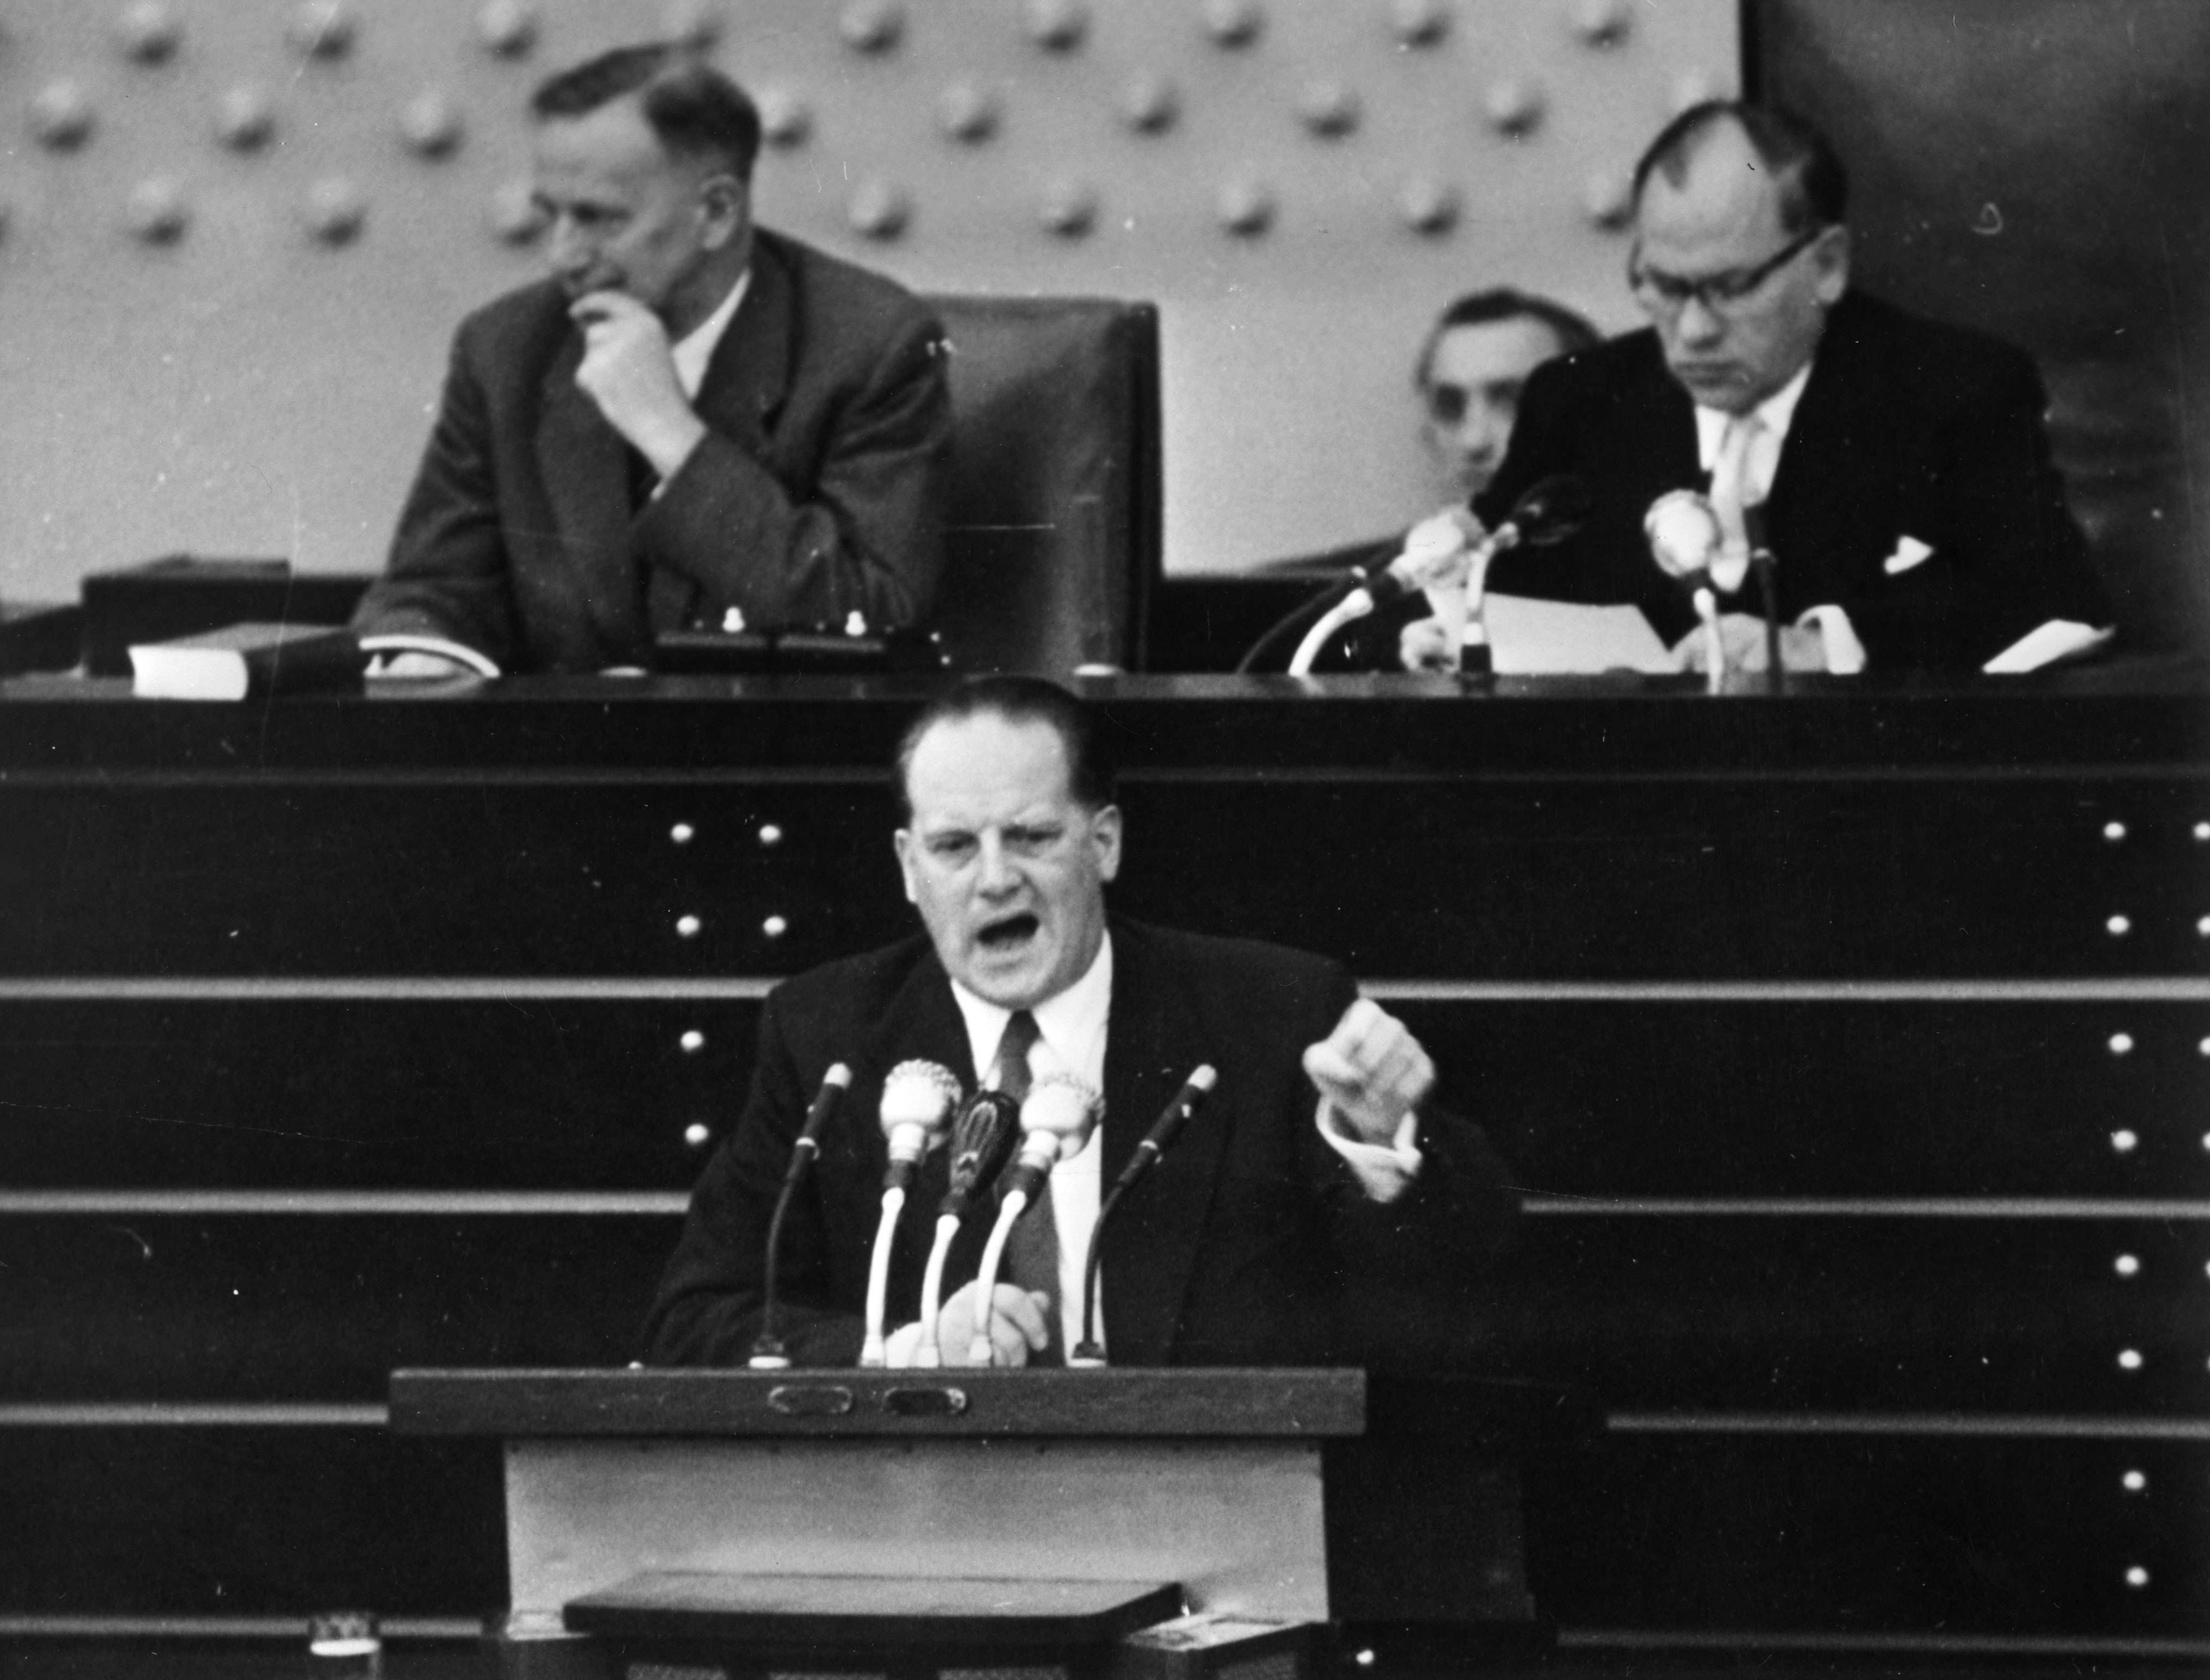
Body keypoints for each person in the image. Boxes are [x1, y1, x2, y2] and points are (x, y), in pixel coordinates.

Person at [646, 676, 1518, 1370]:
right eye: (955, 847)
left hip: (1217, 1519)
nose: (993, 880)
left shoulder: (1275, 1013)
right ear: (909, 867)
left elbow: (1458, 1307)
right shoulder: (826, 1032)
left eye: (1029, 836)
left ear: (1102, 843)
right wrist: (903, 1352)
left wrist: (1381, 1144)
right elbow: (697, 1321)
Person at [352, 45, 951, 675]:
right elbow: (431, 587)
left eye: (598, 219)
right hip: (565, 759)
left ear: (717, 212)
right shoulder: (506, 346)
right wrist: (423, 651)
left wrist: (672, 434)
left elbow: (874, 615)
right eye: (550, 214)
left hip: (772, 759)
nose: (562, 255)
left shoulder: (872, 345)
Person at [1474, 101, 2113, 674]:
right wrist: (1453, 622)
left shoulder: (1952, 389)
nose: (1693, 332)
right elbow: (1490, 585)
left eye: (1730, 289)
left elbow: (2057, 598)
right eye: (1664, 287)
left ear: (1827, 266)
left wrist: (1826, 645)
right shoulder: (1579, 400)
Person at [1302, 290, 1601, 672]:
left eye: (1513, 400)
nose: (1473, 440)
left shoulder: (1673, 568)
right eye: (1450, 405)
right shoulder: (1362, 602)